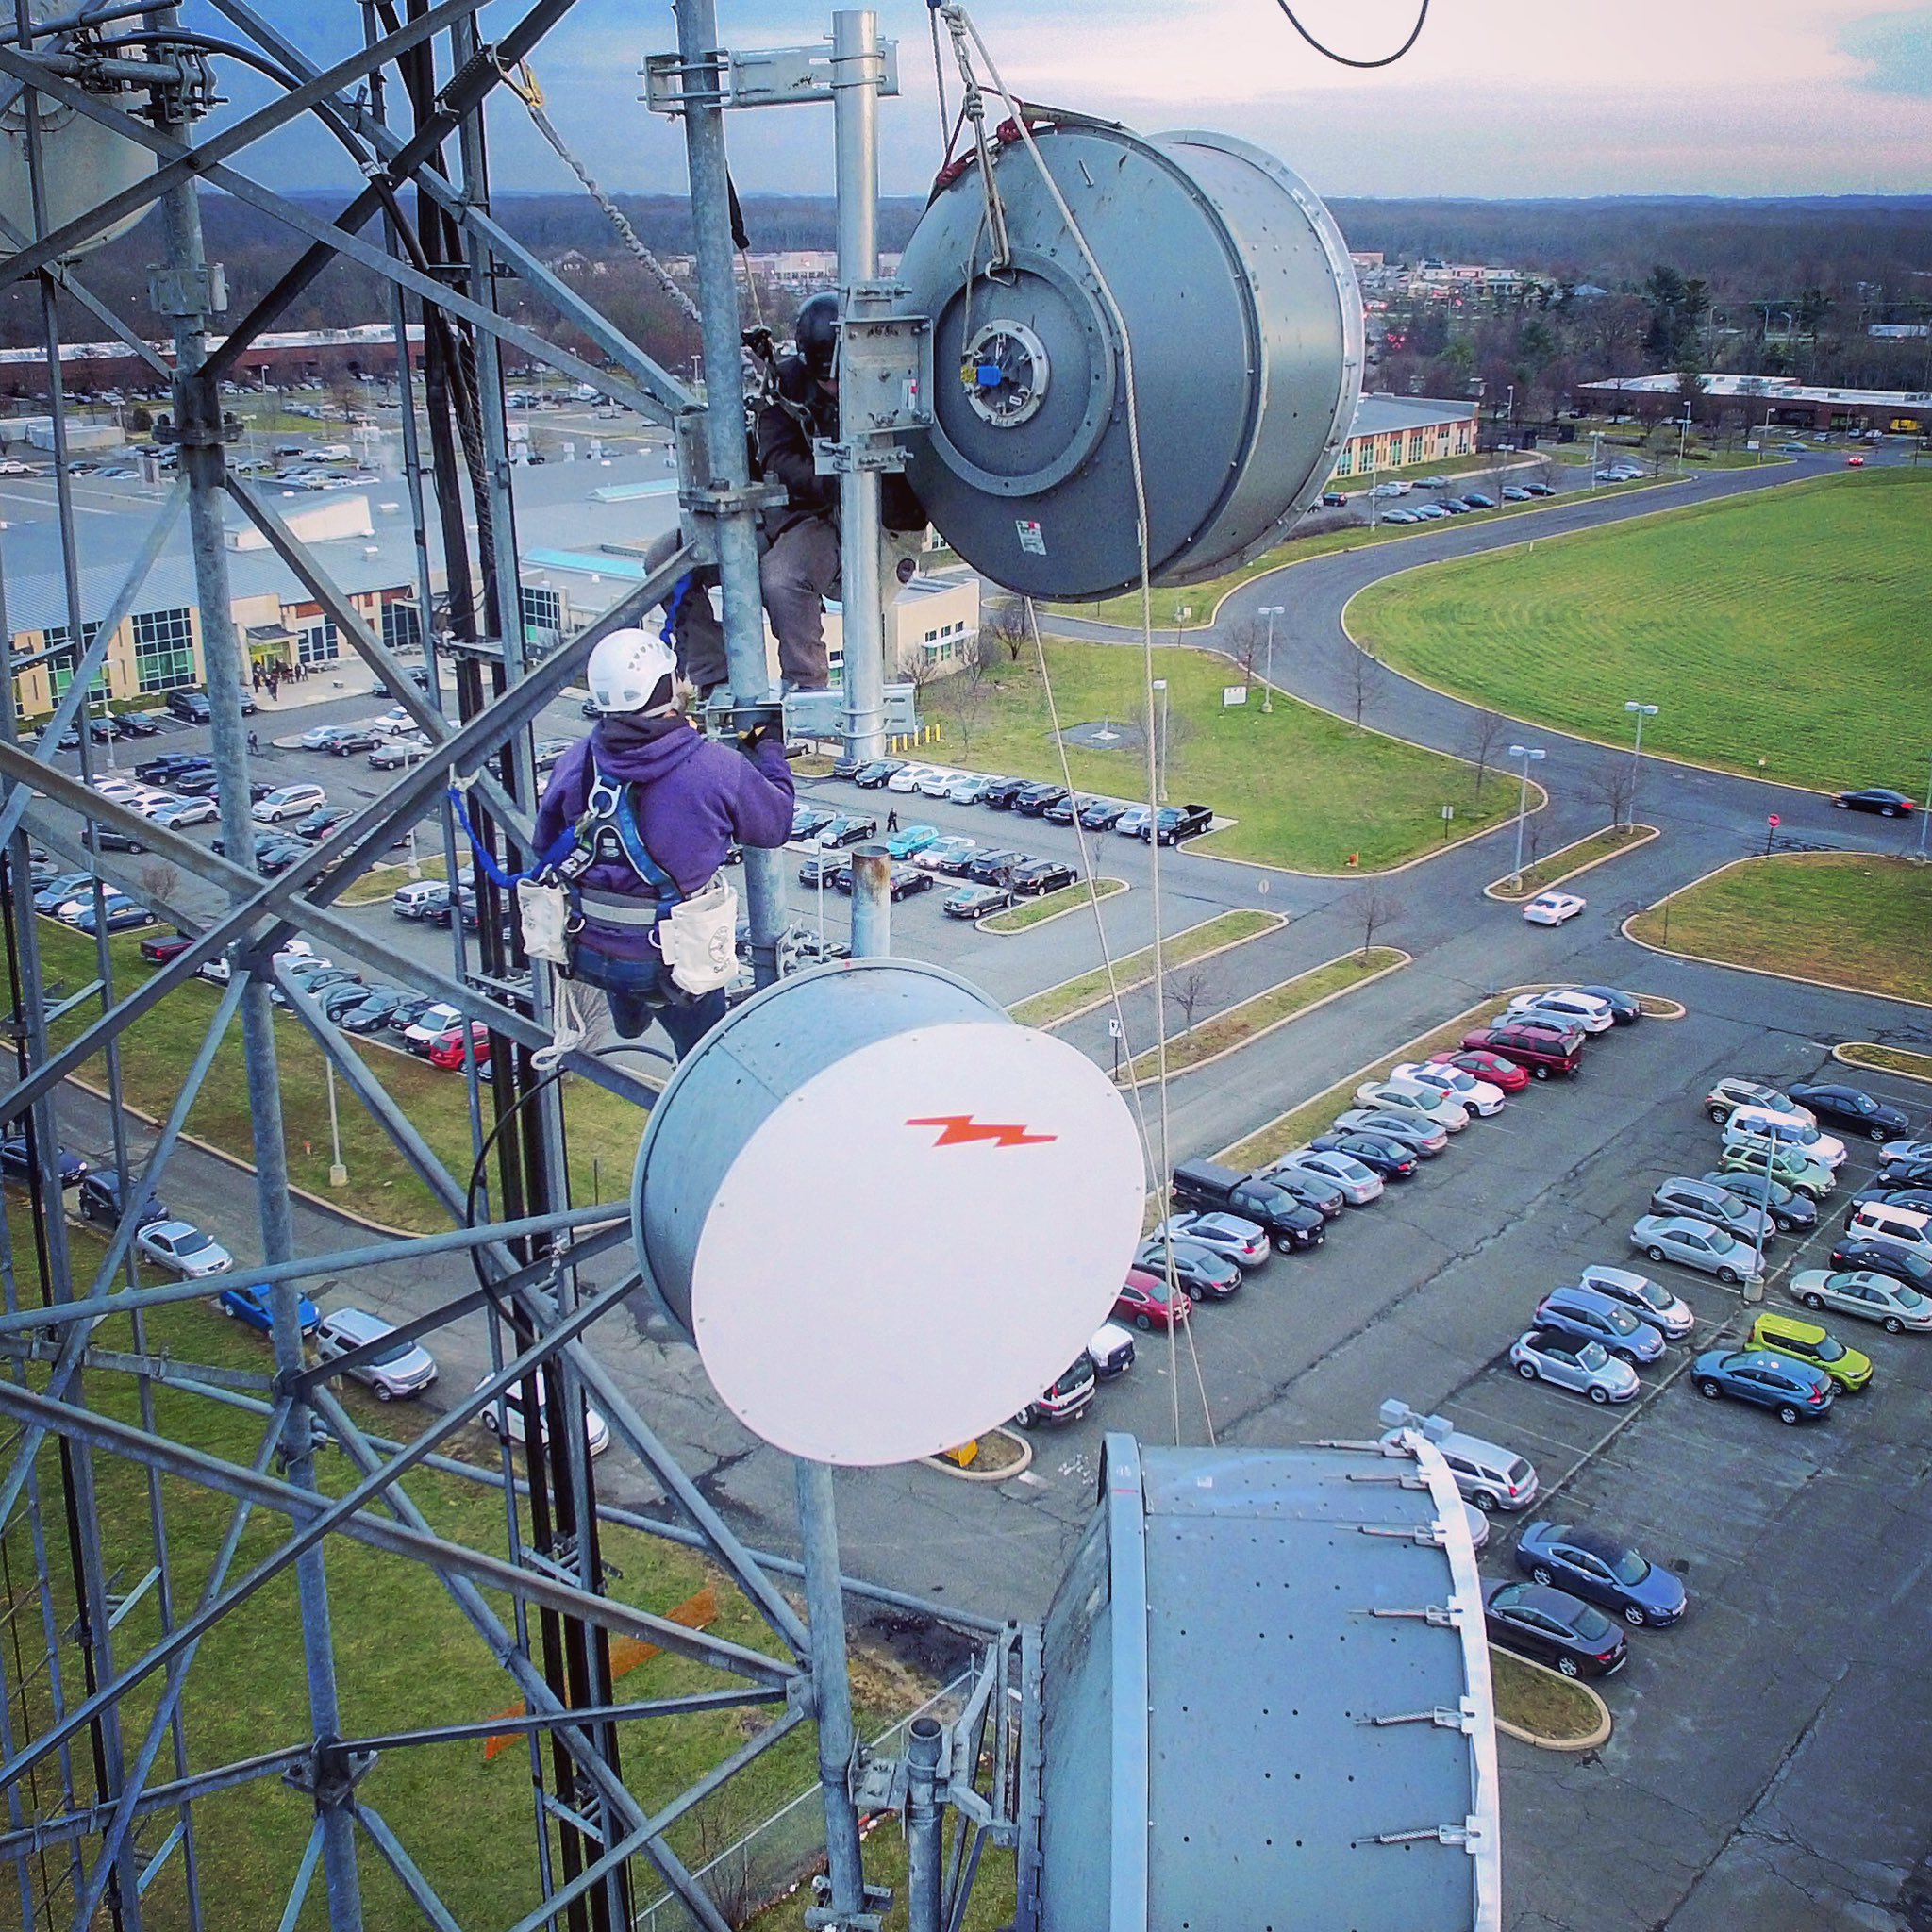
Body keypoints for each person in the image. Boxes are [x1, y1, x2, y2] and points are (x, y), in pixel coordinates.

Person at [532, 628, 793, 1058]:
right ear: (665, 687)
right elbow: (775, 822)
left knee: (626, 962)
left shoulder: (577, 760)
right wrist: (767, 749)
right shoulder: (713, 768)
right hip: (673, 963)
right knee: (704, 1056)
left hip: (592, 947)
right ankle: (693, 1070)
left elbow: (546, 847)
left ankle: (630, 1013)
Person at [756, 291, 925, 691]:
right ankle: (715, 675)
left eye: (838, 376)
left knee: (783, 579)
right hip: (815, 511)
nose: (832, 386)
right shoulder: (788, 384)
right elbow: (775, 453)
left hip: (885, 524)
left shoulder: (898, 382)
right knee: (673, 559)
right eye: (823, 379)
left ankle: (808, 689)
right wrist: (834, 477)